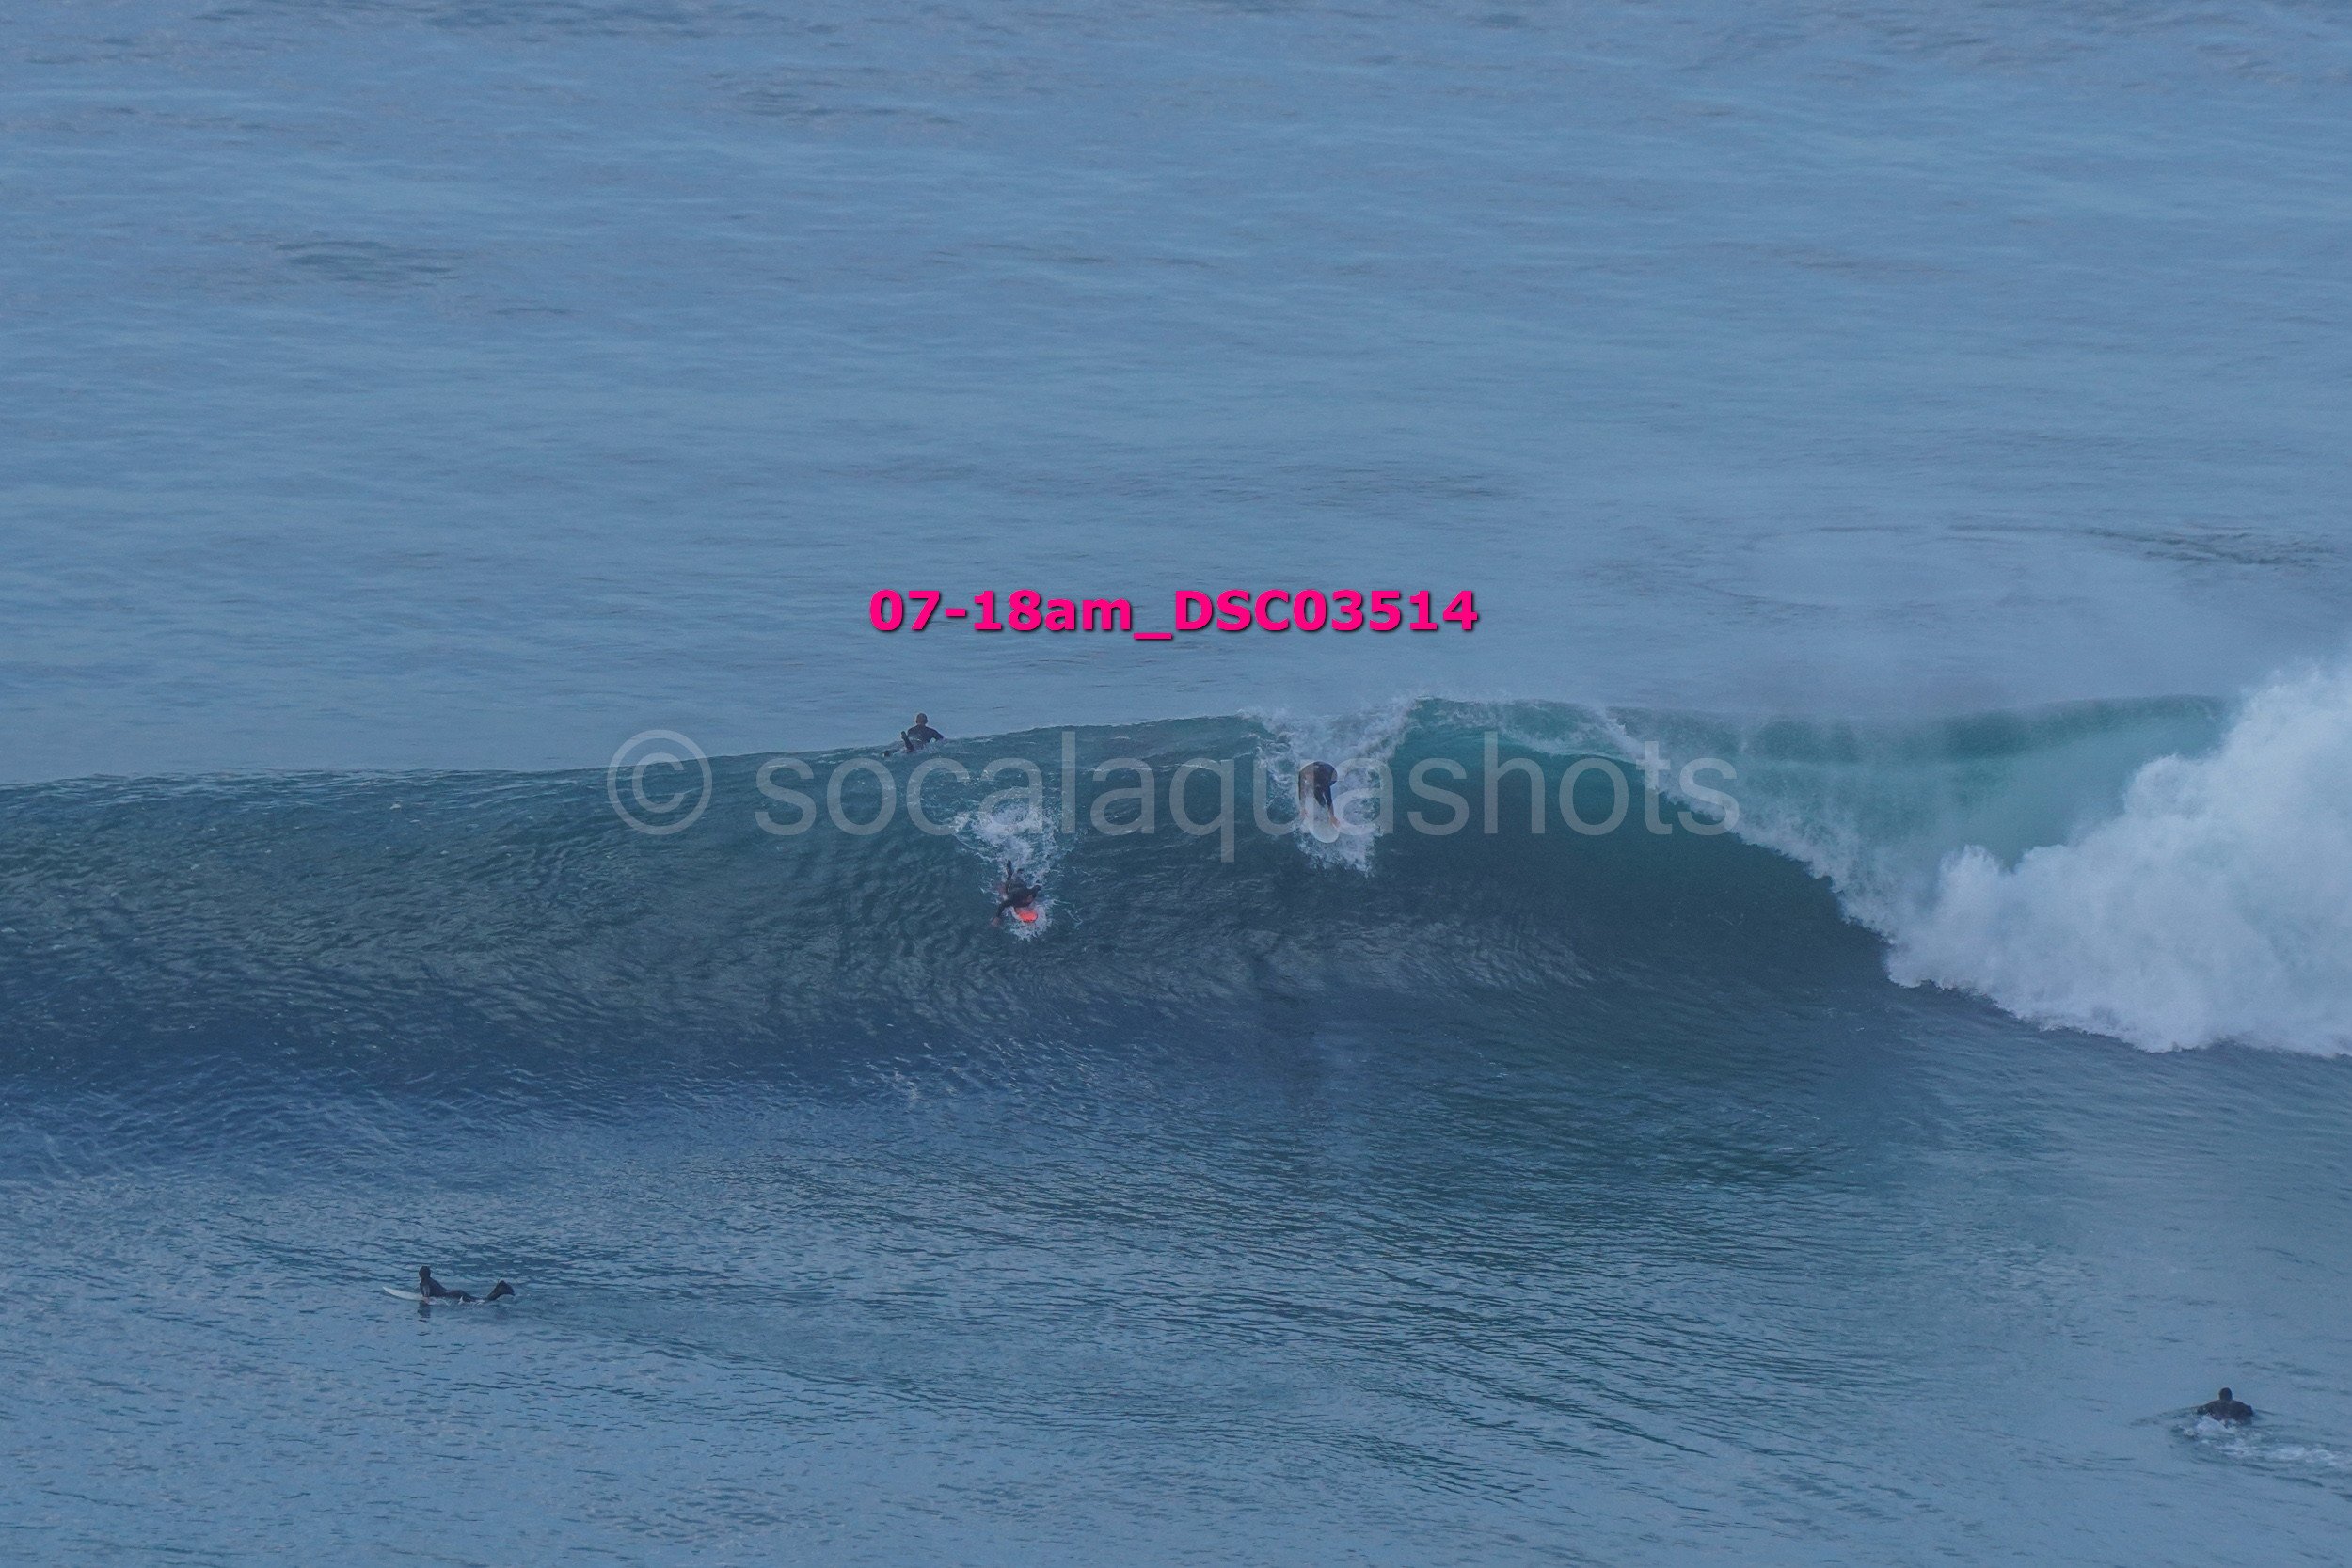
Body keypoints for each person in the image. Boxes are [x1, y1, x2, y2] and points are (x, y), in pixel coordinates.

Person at [418, 1266, 514, 1304]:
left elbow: (426, 1292)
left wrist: (425, 1300)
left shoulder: (424, 1283)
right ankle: (499, 1287)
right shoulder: (431, 1280)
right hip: (456, 1293)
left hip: (455, 1295)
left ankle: (500, 1290)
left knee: (483, 1302)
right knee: (481, 1299)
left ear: (420, 1275)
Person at [993, 861, 1041, 926]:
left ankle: (1019, 870)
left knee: (1019, 877)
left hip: (1021, 885)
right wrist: (997, 917)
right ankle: (1008, 862)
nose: (1031, 900)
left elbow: (1037, 887)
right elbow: (1002, 905)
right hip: (1010, 886)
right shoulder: (1013, 899)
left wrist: (1039, 886)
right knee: (1009, 877)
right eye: (1030, 899)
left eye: (1032, 898)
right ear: (1026, 898)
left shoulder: (1031, 892)